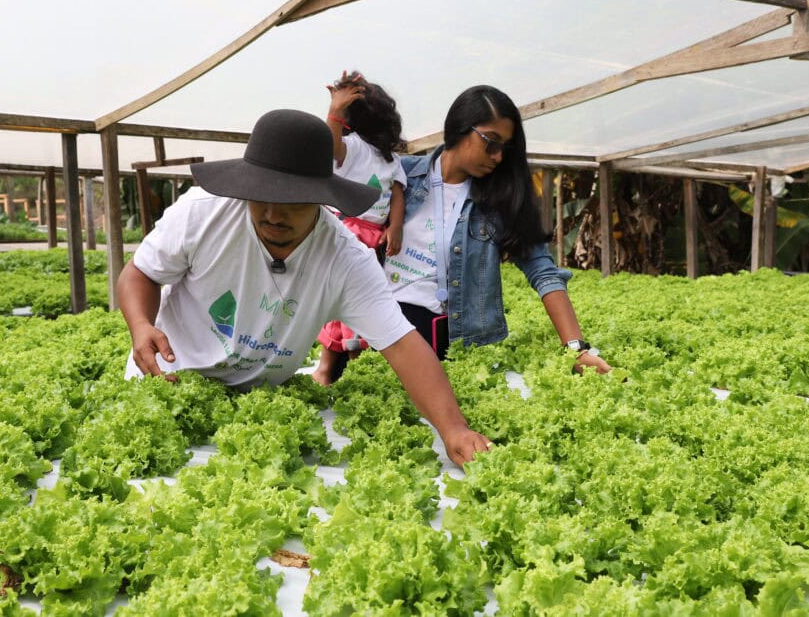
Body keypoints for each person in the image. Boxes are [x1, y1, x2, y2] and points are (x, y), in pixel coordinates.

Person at [117, 108, 492, 466]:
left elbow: (402, 344)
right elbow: (140, 274)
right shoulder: (202, 213)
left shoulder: (345, 259)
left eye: (292, 201)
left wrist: (454, 430)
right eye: (261, 196)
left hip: (254, 412)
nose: (273, 214)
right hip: (166, 387)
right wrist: (141, 326)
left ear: (321, 198)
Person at [382, 85, 611, 374]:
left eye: (505, 148)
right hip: (386, 328)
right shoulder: (400, 174)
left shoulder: (499, 198)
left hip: (456, 341)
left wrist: (576, 348)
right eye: (491, 142)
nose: (498, 156)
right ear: (460, 128)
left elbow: (542, 270)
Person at [312, 70, 407, 386]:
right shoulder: (352, 147)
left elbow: (397, 192)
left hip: (371, 238)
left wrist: (395, 227)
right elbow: (330, 149)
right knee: (349, 299)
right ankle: (339, 365)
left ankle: (336, 367)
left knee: (356, 300)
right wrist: (334, 113)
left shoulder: (390, 159)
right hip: (345, 233)